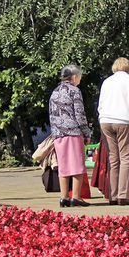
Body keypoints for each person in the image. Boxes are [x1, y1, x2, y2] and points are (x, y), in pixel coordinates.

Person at [98, 57, 129, 205]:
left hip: (106, 120)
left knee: (113, 159)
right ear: (128, 67)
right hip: (124, 120)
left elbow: (101, 103)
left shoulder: (107, 81)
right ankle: (123, 195)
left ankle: (113, 194)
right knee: (125, 158)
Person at [48, 64, 91, 207]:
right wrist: (86, 132)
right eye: (79, 76)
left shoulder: (55, 91)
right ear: (74, 77)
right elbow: (79, 114)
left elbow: (52, 114)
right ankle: (76, 197)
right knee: (77, 165)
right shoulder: (74, 91)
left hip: (58, 134)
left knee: (63, 166)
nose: (80, 79)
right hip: (73, 132)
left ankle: (64, 197)